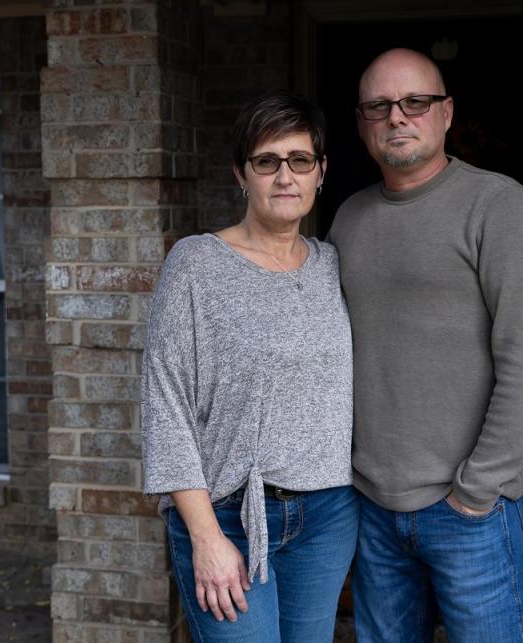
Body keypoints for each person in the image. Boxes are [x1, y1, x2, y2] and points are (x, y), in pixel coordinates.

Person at [328, 48, 523, 642]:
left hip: (470, 513)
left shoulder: (500, 207)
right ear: (361, 122)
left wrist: (476, 491)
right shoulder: (347, 221)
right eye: (378, 106)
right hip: (374, 508)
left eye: (415, 102)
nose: (397, 118)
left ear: (446, 112)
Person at [140, 92, 356, 642]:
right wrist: (205, 536)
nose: (285, 176)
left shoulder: (332, 264)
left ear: (320, 172)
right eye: (267, 161)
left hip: (327, 515)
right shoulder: (196, 264)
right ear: (242, 174)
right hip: (228, 517)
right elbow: (165, 405)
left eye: (299, 160)